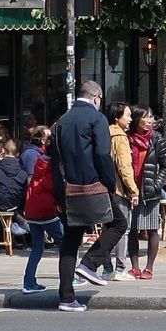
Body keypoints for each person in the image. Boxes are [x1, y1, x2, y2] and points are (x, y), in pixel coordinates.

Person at [52, 80, 116, 312]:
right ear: (96, 97)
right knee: (119, 223)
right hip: (92, 186)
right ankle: (90, 263)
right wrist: (111, 183)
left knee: (70, 243)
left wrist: (59, 195)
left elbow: (55, 163)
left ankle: (66, 297)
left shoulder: (60, 122)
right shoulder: (97, 119)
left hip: (68, 190)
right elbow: (102, 155)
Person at [89, 102, 138, 280]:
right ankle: (120, 267)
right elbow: (124, 167)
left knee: (108, 228)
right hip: (119, 189)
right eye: (127, 115)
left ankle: (108, 267)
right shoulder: (119, 136)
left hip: (103, 188)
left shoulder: (103, 134)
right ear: (117, 118)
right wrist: (133, 190)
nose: (130, 119)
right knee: (122, 228)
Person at [19, 137, 62, 295]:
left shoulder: (39, 162)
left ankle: (28, 282)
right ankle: (69, 277)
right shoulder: (53, 166)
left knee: (37, 246)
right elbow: (54, 187)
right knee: (64, 242)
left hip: (31, 209)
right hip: (45, 210)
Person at [126, 107, 164, 279]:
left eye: (151, 117)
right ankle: (135, 267)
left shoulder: (157, 139)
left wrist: (156, 185)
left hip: (150, 190)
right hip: (131, 189)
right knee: (132, 229)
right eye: (145, 117)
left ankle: (149, 267)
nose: (149, 120)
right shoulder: (127, 138)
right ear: (136, 119)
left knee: (152, 229)